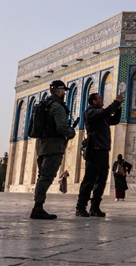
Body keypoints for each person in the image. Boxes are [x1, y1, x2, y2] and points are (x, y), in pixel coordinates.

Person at [28, 80, 76, 220]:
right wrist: (71, 133)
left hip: (42, 145)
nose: (65, 94)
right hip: (54, 146)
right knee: (46, 177)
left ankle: (38, 206)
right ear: (60, 91)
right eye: (64, 91)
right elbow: (61, 127)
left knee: (41, 176)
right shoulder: (57, 106)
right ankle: (38, 208)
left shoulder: (45, 104)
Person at [76, 91, 123, 217]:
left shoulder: (102, 116)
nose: (102, 100)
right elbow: (106, 112)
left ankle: (95, 207)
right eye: (100, 98)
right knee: (89, 180)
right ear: (94, 102)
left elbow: (114, 120)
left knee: (101, 180)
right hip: (94, 149)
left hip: (103, 150)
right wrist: (116, 102)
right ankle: (81, 207)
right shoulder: (91, 113)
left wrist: (118, 108)